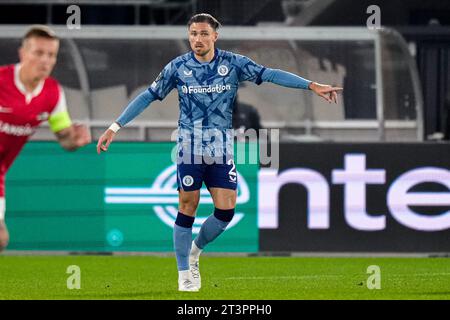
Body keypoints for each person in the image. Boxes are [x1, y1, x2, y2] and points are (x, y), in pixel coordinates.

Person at [97, 13, 342, 292]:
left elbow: (270, 74)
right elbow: (148, 96)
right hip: (189, 146)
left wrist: (311, 85)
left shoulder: (233, 63)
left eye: (203, 34)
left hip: (221, 149)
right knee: (187, 204)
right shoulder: (177, 67)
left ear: (215, 36)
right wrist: (115, 126)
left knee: (226, 211)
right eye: (192, 34)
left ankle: (195, 251)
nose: (197, 39)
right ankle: (183, 274)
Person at [0, 25, 91, 251]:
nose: (45, 60)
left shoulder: (52, 93)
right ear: (23, 53)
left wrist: (75, 140)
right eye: (38, 53)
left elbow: (64, 138)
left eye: (51, 55)